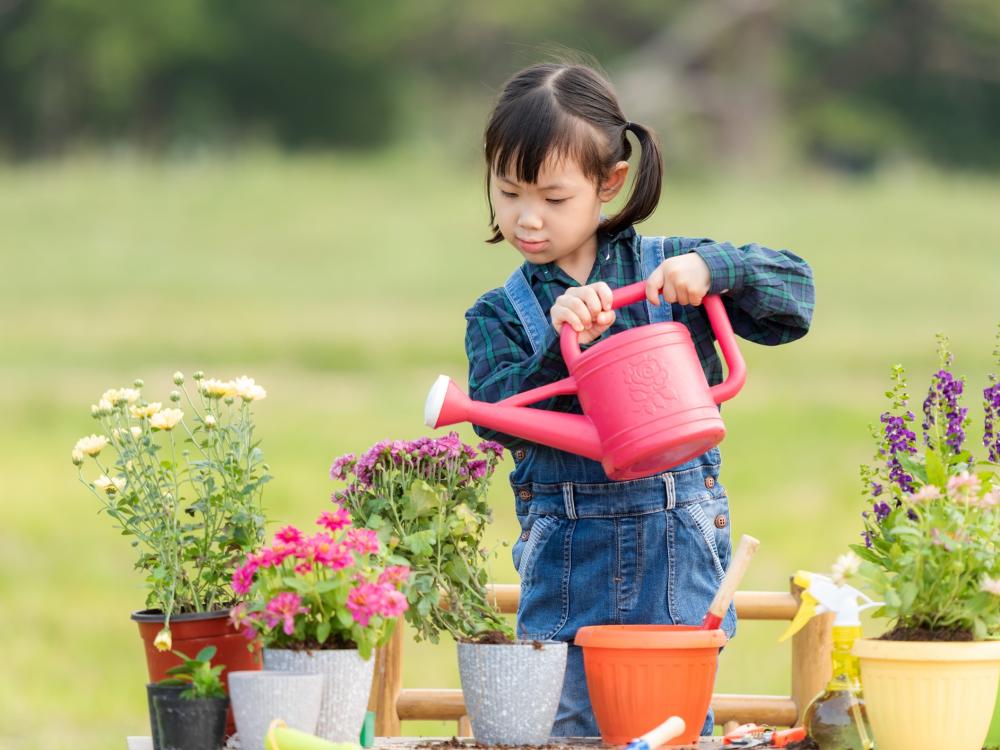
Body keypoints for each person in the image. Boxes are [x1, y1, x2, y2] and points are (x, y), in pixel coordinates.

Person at [463, 61, 815, 738]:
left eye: (553, 198)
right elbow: (498, 419)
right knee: (566, 725)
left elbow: (796, 298)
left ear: (610, 182)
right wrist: (559, 344)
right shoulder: (499, 314)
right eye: (508, 193)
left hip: (677, 548)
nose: (527, 217)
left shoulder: (669, 268)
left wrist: (718, 269)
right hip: (569, 562)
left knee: (674, 723)